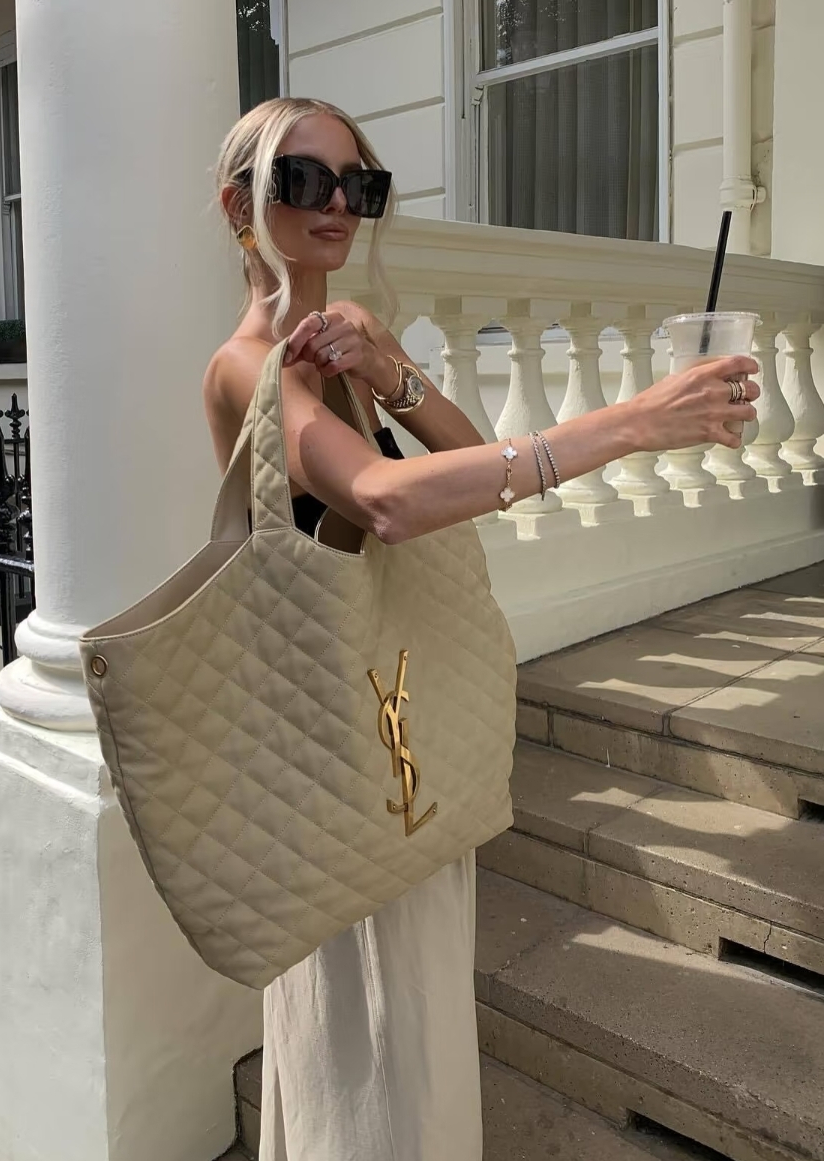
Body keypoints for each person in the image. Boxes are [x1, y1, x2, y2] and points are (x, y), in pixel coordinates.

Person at [205, 97, 759, 1161]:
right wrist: (632, 422)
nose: (338, 204)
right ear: (241, 207)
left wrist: (386, 369)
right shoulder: (244, 365)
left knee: (411, 1035)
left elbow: (461, 463)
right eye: (304, 180)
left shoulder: (337, 351)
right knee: (363, 1052)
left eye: (359, 184)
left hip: (398, 736)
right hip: (330, 764)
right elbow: (386, 501)